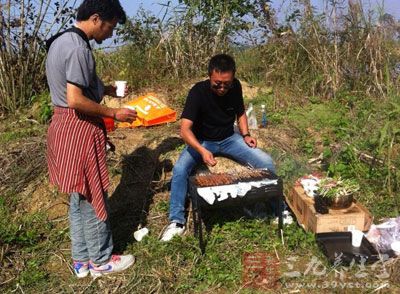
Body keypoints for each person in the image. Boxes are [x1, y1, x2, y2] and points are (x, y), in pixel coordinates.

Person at [46, 0, 137, 278]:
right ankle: (101, 260)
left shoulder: (60, 40)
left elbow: (71, 86)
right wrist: (114, 112)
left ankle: (81, 261)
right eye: (109, 27)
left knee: (79, 195)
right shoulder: (78, 48)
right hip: (79, 128)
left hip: (62, 126)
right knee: (94, 193)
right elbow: (75, 100)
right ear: (96, 19)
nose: (110, 34)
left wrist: (105, 88)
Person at [161, 54, 276, 241]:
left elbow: (240, 112)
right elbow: (184, 130)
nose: (222, 88)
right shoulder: (197, 92)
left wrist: (246, 135)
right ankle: (176, 221)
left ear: (232, 78)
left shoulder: (236, 86)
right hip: (202, 140)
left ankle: (273, 207)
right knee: (181, 169)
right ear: (209, 77)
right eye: (217, 84)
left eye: (226, 84)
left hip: (230, 138)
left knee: (266, 162)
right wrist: (201, 150)